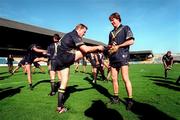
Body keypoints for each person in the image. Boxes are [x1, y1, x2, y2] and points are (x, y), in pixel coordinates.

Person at [55, 24, 104, 113]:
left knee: (64, 83)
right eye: (84, 32)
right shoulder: (74, 34)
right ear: (79, 29)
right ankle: (100, 57)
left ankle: (59, 107)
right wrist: (98, 47)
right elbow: (85, 49)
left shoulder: (68, 35)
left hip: (59, 60)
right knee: (85, 51)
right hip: (65, 57)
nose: (84, 34)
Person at [107, 12, 134, 110]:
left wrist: (119, 46)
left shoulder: (125, 28)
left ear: (118, 19)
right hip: (113, 58)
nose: (111, 22)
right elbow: (110, 45)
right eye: (110, 21)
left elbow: (131, 41)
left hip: (123, 56)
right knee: (114, 79)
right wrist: (110, 48)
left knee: (125, 78)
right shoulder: (111, 33)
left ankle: (130, 100)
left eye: (112, 20)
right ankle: (116, 98)